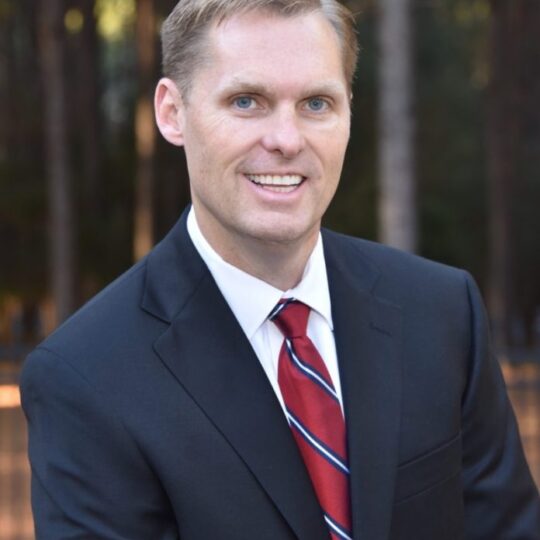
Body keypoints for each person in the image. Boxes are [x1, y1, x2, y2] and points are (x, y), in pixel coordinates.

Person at [21, 0, 540, 539]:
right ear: (172, 113)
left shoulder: (442, 312)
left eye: (316, 103)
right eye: (247, 101)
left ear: (348, 112)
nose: (287, 140)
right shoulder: (86, 379)